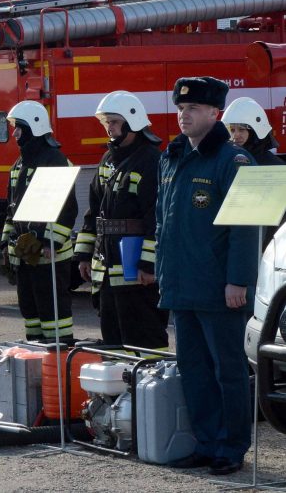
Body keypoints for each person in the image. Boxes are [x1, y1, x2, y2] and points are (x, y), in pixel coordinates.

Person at [157, 76, 257, 476]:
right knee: (194, 370)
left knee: (227, 371)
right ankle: (207, 441)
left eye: (193, 109)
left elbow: (246, 227)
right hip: (182, 286)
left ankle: (231, 447)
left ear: (215, 114)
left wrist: (239, 280)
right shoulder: (172, 157)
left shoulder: (232, 161)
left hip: (219, 289)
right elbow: (164, 225)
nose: (184, 116)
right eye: (181, 109)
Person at [74, 91, 168, 348]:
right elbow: (93, 212)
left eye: (114, 122)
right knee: (112, 338)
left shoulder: (151, 161)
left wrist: (149, 264)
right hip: (106, 269)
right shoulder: (108, 161)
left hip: (137, 272)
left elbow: (157, 218)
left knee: (145, 335)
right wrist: (83, 254)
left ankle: (152, 386)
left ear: (132, 122)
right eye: (106, 123)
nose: (109, 129)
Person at [2, 100, 78, 344]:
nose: (14, 134)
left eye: (18, 128)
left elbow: (66, 210)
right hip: (27, 254)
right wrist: (6, 243)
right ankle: (35, 358)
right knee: (30, 312)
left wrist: (48, 242)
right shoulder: (19, 165)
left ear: (34, 127)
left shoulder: (54, 160)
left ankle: (58, 357)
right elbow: (11, 211)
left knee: (53, 313)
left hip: (50, 257)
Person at [223, 97, 282, 166]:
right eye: (232, 130)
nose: (235, 135)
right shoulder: (225, 159)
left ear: (253, 132)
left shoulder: (274, 165)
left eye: (241, 129)